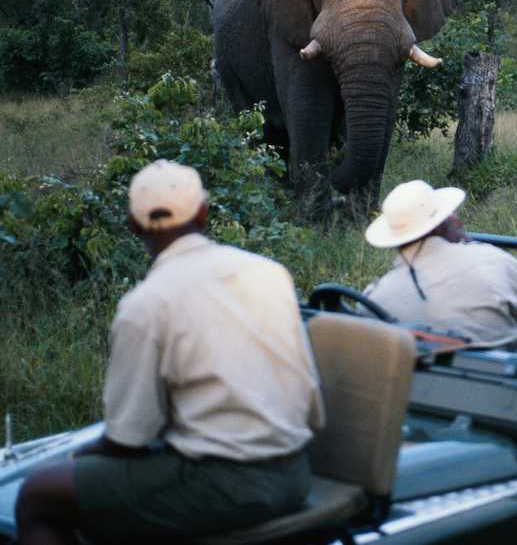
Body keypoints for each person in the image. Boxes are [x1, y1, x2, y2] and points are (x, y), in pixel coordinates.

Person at [16, 160, 325, 544]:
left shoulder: (145, 305)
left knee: (38, 494)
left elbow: (128, 439)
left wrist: (77, 459)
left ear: (133, 225)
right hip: (295, 472)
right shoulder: (270, 272)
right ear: (204, 212)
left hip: (226, 488)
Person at [364, 179, 517, 348]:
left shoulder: (373, 297)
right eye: (448, 214)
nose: (456, 219)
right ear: (440, 225)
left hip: (425, 385)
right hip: (497, 374)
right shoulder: (489, 260)